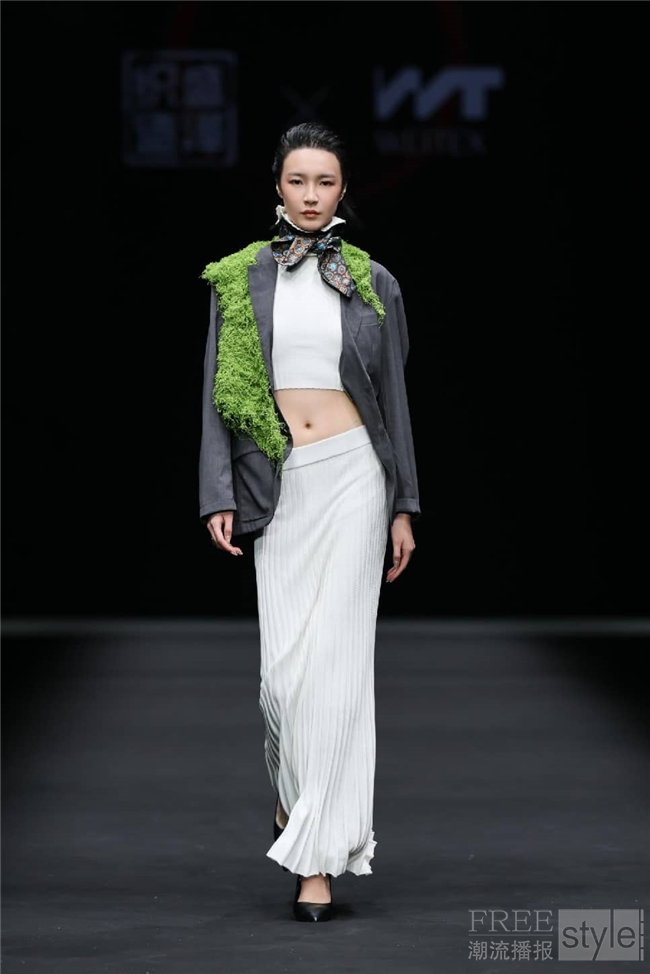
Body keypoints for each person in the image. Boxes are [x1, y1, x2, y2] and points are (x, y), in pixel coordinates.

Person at [198, 121, 421, 922]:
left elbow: (393, 400)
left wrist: (403, 503)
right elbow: (217, 395)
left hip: (357, 476)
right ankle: (293, 802)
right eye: (298, 181)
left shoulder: (373, 281)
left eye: (325, 182)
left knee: (338, 671)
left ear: (343, 190)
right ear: (278, 187)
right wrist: (218, 491)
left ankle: (318, 864)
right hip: (281, 479)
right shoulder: (239, 277)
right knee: (284, 678)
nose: (311, 195)